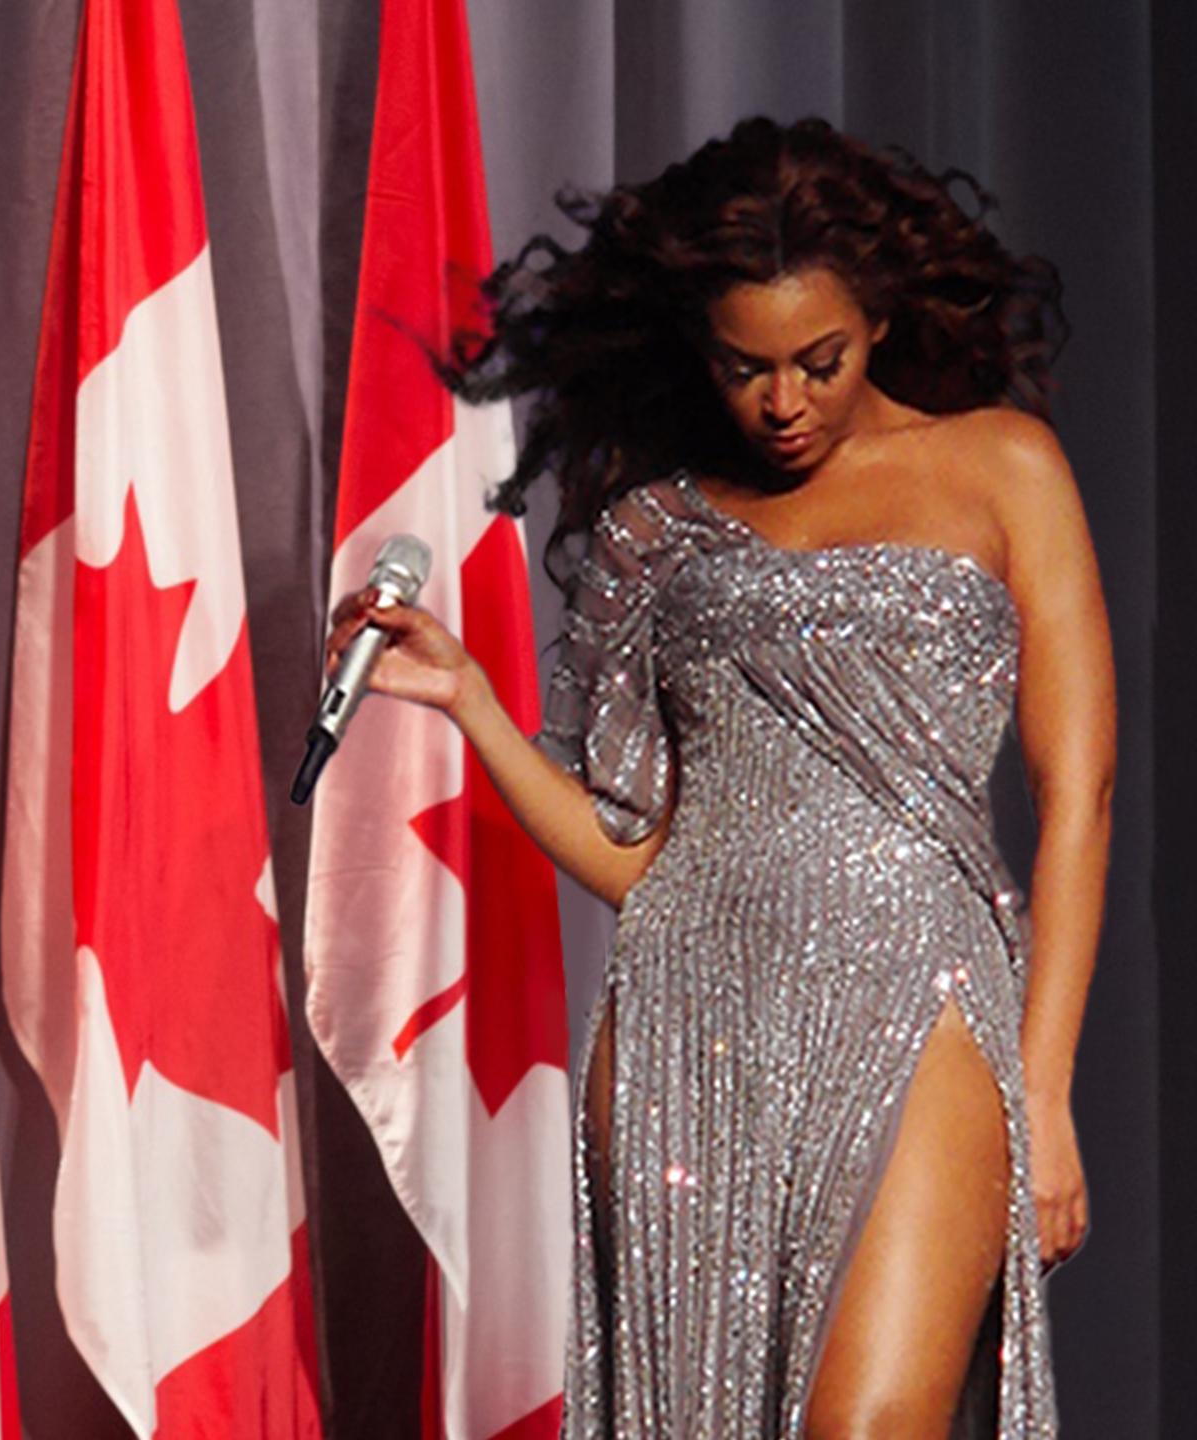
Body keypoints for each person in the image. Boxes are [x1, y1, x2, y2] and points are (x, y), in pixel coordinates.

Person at [327, 117, 1109, 1438]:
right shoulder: (660, 525)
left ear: (877, 317)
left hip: (925, 997)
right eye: (748, 368)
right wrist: (475, 706)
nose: (785, 401)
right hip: (691, 1011)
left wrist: (1046, 1092)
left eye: (822, 361)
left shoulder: (1003, 468)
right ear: (699, 350)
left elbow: (1076, 797)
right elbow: (640, 850)